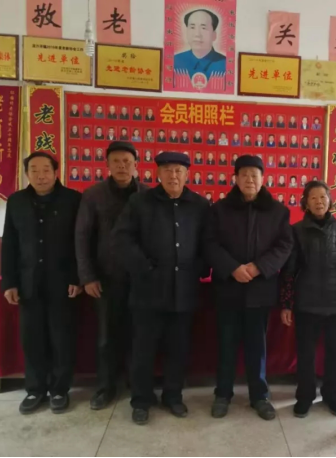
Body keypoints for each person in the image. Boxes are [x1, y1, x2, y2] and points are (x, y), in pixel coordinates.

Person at [113, 152, 210, 425]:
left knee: (178, 349)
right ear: (157, 174)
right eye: (167, 170)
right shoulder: (140, 202)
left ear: (187, 174)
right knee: (143, 350)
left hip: (184, 291)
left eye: (178, 170)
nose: (173, 175)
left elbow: (208, 243)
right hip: (147, 292)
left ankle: (173, 396)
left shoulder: (200, 205)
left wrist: (198, 269)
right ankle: (141, 400)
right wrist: (145, 268)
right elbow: (122, 239)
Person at [206, 155, 294, 421]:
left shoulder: (277, 211)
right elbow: (209, 243)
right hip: (228, 288)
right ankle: (223, 394)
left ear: (263, 179)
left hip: (260, 290)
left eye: (254, 175)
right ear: (235, 178)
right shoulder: (219, 209)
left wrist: (258, 267)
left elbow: (284, 246)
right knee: (226, 344)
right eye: (244, 174)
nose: (249, 179)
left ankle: (260, 396)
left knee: (257, 346)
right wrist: (233, 268)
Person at [1, 152, 82, 415]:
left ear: (56, 172)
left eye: (46, 169)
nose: (40, 175)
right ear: (27, 174)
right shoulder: (16, 201)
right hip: (29, 284)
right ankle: (35, 390)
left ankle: (60, 390)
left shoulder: (73, 200)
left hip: (63, 283)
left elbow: (80, 242)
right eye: (34, 170)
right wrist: (9, 282)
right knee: (32, 339)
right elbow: (9, 244)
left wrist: (77, 277)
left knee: (62, 339)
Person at [280, 181, 336, 417]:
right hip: (306, 301)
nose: (319, 202)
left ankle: (332, 395)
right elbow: (289, 270)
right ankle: (305, 396)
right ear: (305, 203)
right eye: (314, 198)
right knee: (305, 352)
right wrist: (286, 304)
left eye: (323, 197)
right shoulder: (296, 230)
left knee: (335, 351)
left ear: (330, 201)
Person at [76, 142, 148, 412]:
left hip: (139, 279)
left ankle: (136, 385)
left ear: (136, 165)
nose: (121, 166)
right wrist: (87, 276)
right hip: (105, 278)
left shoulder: (148, 195)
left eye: (127, 161)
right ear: (107, 165)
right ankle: (106, 387)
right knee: (107, 336)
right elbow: (82, 237)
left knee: (139, 334)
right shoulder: (93, 195)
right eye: (116, 161)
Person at [173, 9, 226, 80]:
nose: (197, 34)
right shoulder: (175, 61)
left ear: (214, 35)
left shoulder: (225, 64)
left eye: (203, 28)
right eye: (192, 27)